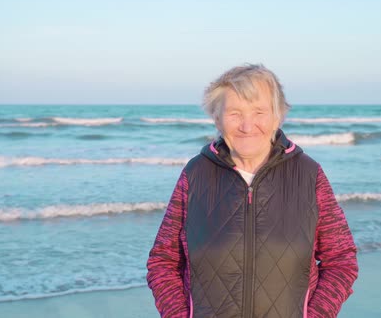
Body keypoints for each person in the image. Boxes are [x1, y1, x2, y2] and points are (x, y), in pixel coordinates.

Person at [146, 64, 358, 317]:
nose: (247, 126)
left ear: (277, 116)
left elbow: (341, 260)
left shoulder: (308, 174)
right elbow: (163, 261)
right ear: (216, 117)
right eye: (235, 113)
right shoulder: (195, 174)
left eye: (259, 112)